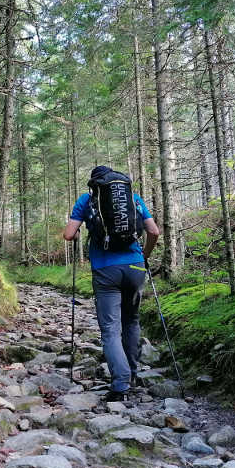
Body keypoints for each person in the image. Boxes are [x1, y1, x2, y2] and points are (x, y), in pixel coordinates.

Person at [63, 165, 160, 402]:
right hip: (136, 266)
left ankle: (120, 384)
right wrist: (144, 256)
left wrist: (77, 234)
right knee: (131, 321)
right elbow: (154, 232)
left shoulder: (87, 200)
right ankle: (133, 374)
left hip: (106, 270)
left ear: (95, 184)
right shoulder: (134, 199)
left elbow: (68, 234)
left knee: (110, 329)